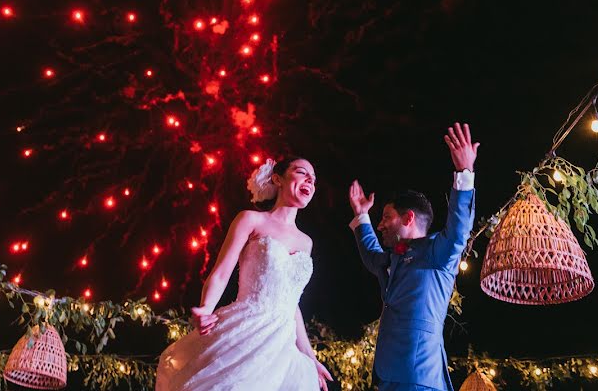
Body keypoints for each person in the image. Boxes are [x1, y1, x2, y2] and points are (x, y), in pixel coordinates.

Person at [156, 156, 333, 391]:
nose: (310, 179)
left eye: (313, 178)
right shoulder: (251, 219)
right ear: (277, 179)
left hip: (282, 348)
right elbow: (221, 273)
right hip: (246, 330)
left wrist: (309, 356)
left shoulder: (306, 242)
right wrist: (206, 309)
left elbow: (292, 304)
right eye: (301, 172)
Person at [348, 123, 478, 390]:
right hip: (386, 376)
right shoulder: (393, 258)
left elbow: (458, 229)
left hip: (418, 376)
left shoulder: (436, 254)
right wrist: (362, 215)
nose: (380, 224)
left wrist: (464, 172)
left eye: (386, 217)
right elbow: (373, 255)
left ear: (408, 218)